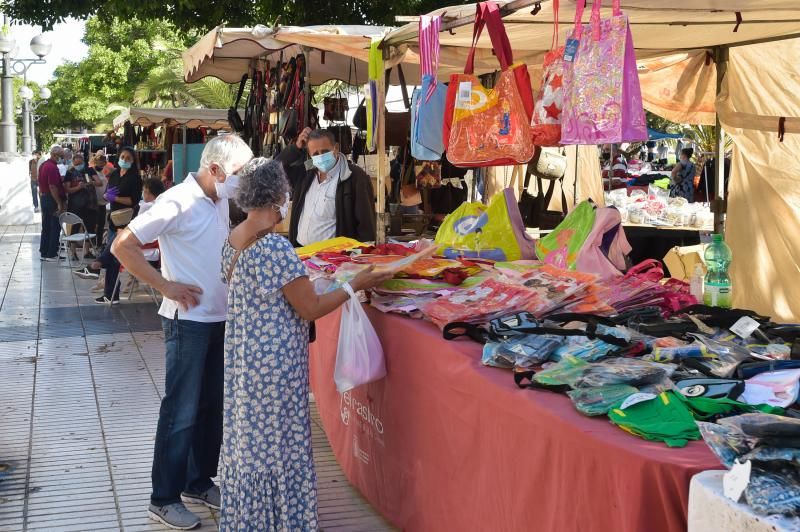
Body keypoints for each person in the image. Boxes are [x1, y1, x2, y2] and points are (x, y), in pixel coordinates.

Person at [218, 158, 391, 530]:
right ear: (277, 196)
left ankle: (250, 519)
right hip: (276, 366)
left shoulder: (233, 239)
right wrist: (352, 285)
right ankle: (286, 521)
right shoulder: (275, 250)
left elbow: (276, 294)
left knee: (250, 445)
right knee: (282, 444)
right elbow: (309, 308)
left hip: (244, 362)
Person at [111, 135, 253, 530]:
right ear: (215, 170)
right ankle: (164, 498)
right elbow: (123, 245)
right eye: (238, 174)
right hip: (186, 322)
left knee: (211, 408)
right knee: (181, 412)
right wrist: (165, 285)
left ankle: (198, 480)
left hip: (217, 319)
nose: (241, 182)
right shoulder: (177, 200)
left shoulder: (219, 199)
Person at [276, 127, 376, 246]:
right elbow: (275, 170)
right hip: (302, 254)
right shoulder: (305, 173)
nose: (321, 157)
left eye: (325, 152)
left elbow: (366, 225)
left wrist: (357, 258)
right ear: (309, 154)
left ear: (336, 148)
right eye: (315, 154)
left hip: (335, 259)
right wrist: (296, 147)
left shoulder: (355, 177)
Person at [73, 146, 143, 302]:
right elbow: (107, 192)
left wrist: (115, 199)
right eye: (123, 157)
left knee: (113, 252)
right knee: (113, 257)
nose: (124, 160)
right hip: (113, 219)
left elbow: (133, 201)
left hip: (126, 220)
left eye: (128, 158)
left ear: (133, 161)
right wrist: (106, 196)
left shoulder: (135, 178)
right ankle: (110, 294)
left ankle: (95, 267)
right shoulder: (115, 174)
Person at [62, 153, 96, 261]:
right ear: (73, 163)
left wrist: (91, 182)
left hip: (89, 204)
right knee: (75, 229)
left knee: (89, 228)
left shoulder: (89, 170)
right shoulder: (70, 172)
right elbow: (67, 189)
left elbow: (99, 182)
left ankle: (87, 252)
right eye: (76, 164)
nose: (78, 166)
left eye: (80, 163)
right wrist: (78, 187)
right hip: (76, 205)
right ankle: (73, 253)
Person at [38, 145, 66, 262]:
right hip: (51, 199)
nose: (62, 159)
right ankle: (51, 254)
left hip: (45, 198)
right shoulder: (52, 168)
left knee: (46, 226)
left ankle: (44, 252)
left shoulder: (44, 165)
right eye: (61, 156)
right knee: (54, 226)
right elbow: (53, 186)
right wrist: (59, 203)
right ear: (55, 155)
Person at [87, 153, 109, 251]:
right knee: (94, 225)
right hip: (95, 202)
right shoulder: (92, 172)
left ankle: (99, 244)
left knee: (101, 224)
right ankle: (93, 244)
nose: (101, 165)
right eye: (99, 163)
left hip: (103, 202)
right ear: (95, 162)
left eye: (103, 163)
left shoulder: (103, 172)